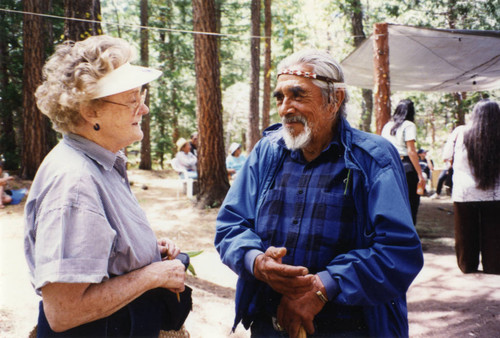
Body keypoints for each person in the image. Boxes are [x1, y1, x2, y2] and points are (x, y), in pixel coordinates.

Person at [214, 49, 423, 337]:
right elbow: (230, 225)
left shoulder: (372, 158)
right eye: (280, 97)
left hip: (349, 327)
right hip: (269, 324)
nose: (285, 108)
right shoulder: (267, 152)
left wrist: (322, 287)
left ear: (334, 100)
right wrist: (256, 261)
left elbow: (398, 251)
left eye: (298, 96)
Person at [24, 35, 190, 336]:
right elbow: (63, 312)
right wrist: (152, 275)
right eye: (132, 100)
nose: (144, 109)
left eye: (142, 97)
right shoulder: (74, 183)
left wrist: (145, 252)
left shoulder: (100, 163)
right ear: (90, 112)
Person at [442, 99, 500, 274]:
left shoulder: (460, 132)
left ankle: (467, 266)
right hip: (495, 193)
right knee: (495, 232)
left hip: (464, 192)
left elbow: (447, 157)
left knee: (465, 231)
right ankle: (494, 266)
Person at [381, 99, 426, 225]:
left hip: (388, 166)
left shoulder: (387, 126)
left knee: (392, 202)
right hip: (406, 167)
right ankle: (409, 236)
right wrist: (420, 174)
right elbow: (411, 151)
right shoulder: (408, 125)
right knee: (411, 202)